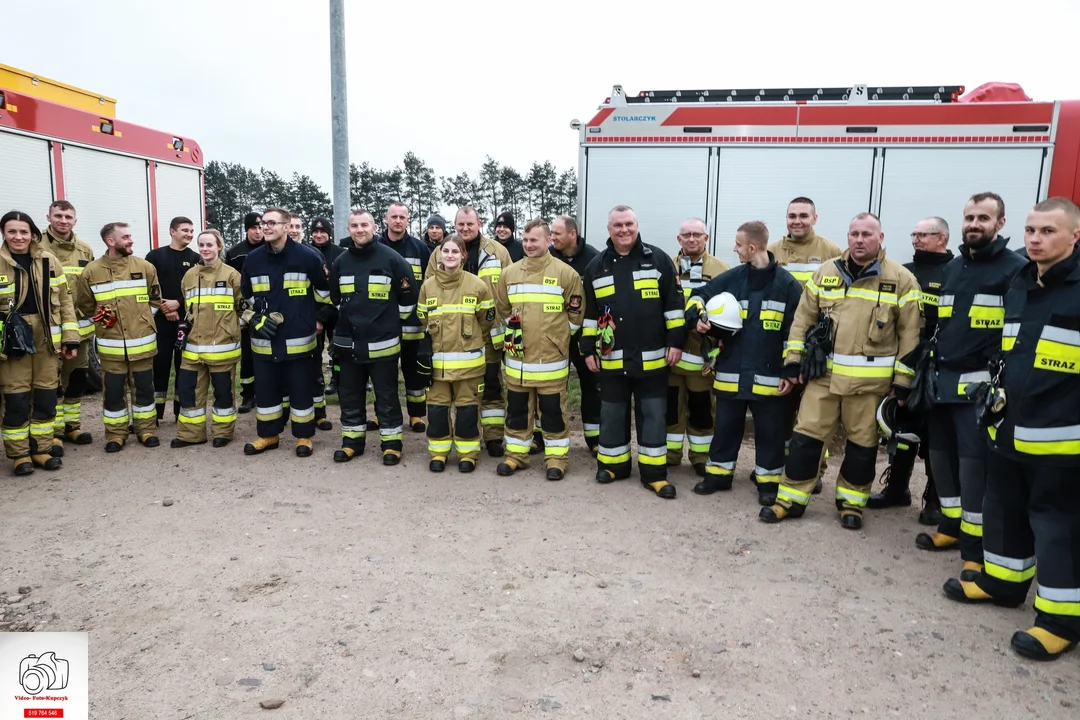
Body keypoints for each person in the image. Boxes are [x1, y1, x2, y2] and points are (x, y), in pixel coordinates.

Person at [944, 197, 1080, 661]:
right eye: (1031, 230)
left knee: (1057, 525)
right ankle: (1002, 581)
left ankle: (1060, 620)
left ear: (1074, 236)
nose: (1036, 239)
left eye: (1048, 231)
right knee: (1002, 508)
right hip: (1009, 426)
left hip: (1064, 438)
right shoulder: (1021, 281)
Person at [763, 212, 920, 528]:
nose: (859, 240)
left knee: (862, 449)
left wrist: (902, 383)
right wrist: (793, 362)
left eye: (866, 234)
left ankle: (851, 504)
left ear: (881, 238)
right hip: (823, 379)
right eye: (854, 234)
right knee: (805, 441)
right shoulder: (826, 272)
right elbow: (802, 319)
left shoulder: (901, 279)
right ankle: (790, 499)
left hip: (869, 387)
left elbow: (910, 335)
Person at [915, 193, 1028, 578]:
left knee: (974, 471)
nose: (974, 224)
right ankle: (951, 527)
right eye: (969, 217)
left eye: (983, 217)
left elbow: (1017, 335)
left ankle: (976, 548)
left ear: (1000, 223)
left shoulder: (1016, 269)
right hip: (943, 384)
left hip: (978, 391)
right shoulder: (956, 266)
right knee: (941, 463)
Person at [687, 221, 802, 505]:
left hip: (770, 376)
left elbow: (796, 333)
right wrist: (699, 316)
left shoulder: (788, 286)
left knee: (770, 432)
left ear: (751, 248)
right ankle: (717, 476)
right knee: (725, 427)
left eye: (738, 245)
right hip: (730, 372)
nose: (735, 250)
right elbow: (697, 296)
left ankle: (768, 483)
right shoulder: (732, 278)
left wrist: (791, 370)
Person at [581, 205, 687, 499]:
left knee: (653, 416)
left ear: (637, 226)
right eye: (618, 225)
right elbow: (590, 315)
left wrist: (676, 343)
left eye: (628, 224)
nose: (624, 230)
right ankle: (614, 465)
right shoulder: (596, 266)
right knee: (612, 414)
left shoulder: (659, 261)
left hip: (653, 360)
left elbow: (675, 307)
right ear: (609, 230)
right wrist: (588, 349)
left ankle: (654, 474)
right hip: (612, 360)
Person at [868, 217, 954, 525]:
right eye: (914, 234)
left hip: (936, 370)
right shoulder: (905, 272)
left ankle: (933, 499)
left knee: (933, 437)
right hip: (903, 364)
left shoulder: (953, 274)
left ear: (941, 237)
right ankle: (896, 489)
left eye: (923, 234)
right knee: (901, 430)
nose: (916, 239)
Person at [494, 219, 584, 480]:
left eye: (535, 239)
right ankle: (515, 456)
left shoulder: (566, 274)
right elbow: (502, 311)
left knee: (553, 412)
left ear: (548, 241)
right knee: (517, 412)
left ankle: (556, 459)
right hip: (517, 361)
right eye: (525, 239)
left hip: (551, 361)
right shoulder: (509, 273)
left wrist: (555, 338)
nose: (529, 244)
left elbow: (575, 316)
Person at [239, 207, 332, 457]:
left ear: (286, 225)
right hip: (264, 339)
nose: (265, 228)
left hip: (298, 339)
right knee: (267, 389)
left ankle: (304, 437)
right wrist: (253, 319)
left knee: (301, 389)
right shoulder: (253, 259)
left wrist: (317, 318)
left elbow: (326, 295)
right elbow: (244, 300)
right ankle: (268, 435)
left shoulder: (308, 257)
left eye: (271, 223)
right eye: (262, 223)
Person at [327, 209, 416, 465]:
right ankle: (352, 443)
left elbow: (408, 299)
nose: (359, 229)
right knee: (350, 395)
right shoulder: (340, 263)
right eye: (354, 225)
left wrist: (388, 324)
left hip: (383, 346)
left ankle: (391, 445)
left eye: (364, 224)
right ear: (348, 229)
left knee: (387, 397)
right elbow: (335, 300)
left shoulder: (392, 259)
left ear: (374, 227)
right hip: (350, 345)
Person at [769, 197, 844, 493]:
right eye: (791, 216)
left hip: (817, 349)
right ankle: (779, 467)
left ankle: (814, 471)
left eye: (803, 215)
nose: (796, 221)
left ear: (815, 218)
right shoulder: (773, 250)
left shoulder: (832, 252)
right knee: (779, 412)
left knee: (815, 417)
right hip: (779, 343)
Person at [426, 207, 511, 456]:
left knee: (491, 388)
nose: (464, 229)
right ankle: (466, 437)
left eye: (469, 224)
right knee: (463, 392)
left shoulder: (498, 252)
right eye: (460, 224)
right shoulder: (439, 252)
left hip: (489, 332)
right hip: (453, 336)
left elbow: (509, 286)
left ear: (479, 223)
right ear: (454, 224)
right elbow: (430, 288)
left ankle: (493, 438)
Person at [0, 211, 80, 474]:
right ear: (4, 234)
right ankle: (19, 455)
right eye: (12, 231)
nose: (18, 237)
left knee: (46, 395)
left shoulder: (48, 260)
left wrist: (70, 337)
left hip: (46, 338)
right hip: (12, 342)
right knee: (17, 398)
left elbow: (66, 301)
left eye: (23, 232)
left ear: (32, 233)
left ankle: (42, 449)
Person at [74, 222, 163, 452]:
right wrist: (102, 319)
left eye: (130, 235)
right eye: (125, 237)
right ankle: (116, 434)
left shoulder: (145, 267)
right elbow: (85, 305)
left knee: (143, 388)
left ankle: (146, 429)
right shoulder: (91, 272)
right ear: (110, 241)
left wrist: (141, 321)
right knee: (113, 392)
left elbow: (155, 300)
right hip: (111, 346)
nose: (131, 240)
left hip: (142, 343)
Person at [416, 235, 495, 472]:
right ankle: (438, 454)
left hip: (469, 367)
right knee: (437, 412)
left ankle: (467, 455)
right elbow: (423, 318)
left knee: (467, 411)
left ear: (463, 255)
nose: (449, 255)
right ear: (439, 255)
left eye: (454, 251)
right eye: (445, 251)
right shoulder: (428, 286)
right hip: (438, 367)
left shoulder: (477, 285)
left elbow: (487, 320)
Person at [666, 218, 729, 475]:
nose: (692, 239)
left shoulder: (722, 270)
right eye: (686, 235)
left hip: (702, 356)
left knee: (702, 408)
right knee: (670, 407)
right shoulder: (666, 267)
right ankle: (670, 454)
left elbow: (729, 310)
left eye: (697, 234)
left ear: (707, 238)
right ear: (678, 239)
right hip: (671, 356)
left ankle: (701, 457)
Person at [171, 229, 243, 448]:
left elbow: (242, 308)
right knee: (189, 393)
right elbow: (188, 306)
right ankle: (191, 435)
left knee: (223, 393)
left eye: (209, 245)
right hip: (193, 348)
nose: (205, 249)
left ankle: (223, 433)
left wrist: (230, 330)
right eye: (201, 245)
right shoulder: (190, 276)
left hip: (222, 347)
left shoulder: (232, 275)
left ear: (219, 246)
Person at [37, 200, 95, 445]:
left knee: (76, 377)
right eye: (58, 215)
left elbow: (91, 287)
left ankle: (72, 426)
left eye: (68, 216)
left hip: (78, 328)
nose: (63, 220)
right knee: (49, 380)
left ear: (75, 220)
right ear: (48, 217)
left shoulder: (84, 249)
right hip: (46, 328)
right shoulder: (35, 246)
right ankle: (52, 431)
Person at [378, 201, 431, 432]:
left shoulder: (420, 249)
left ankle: (417, 415)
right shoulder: (375, 247)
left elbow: (429, 284)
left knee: (413, 371)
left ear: (408, 220)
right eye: (394, 216)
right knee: (383, 374)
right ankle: (384, 416)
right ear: (386, 219)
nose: (398, 220)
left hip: (412, 323)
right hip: (380, 322)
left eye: (402, 217)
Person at [550, 215, 600, 454]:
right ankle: (545, 435)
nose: (552, 238)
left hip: (584, 337)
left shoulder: (594, 258)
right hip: (552, 337)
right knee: (550, 386)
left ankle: (595, 438)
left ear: (573, 234)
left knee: (591, 385)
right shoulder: (546, 257)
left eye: (556, 233)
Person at [145, 217, 200, 422]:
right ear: (172, 231)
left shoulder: (195, 259)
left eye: (191, 230)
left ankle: (181, 413)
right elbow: (148, 286)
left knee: (183, 368)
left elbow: (198, 290)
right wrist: (164, 307)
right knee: (159, 367)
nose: (189, 234)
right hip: (160, 322)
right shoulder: (155, 256)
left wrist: (178, 303)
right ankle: (155, 415)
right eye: (185, 230)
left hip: (185, 322)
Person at [225, 212, 263, 413]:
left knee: (267, 354)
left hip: (267, 309)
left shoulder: (271, 248)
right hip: (245, 312)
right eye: (254, 228)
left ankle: (266, 393)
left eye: (260, 227)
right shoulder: (235, 253)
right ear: (247, 229)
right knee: (247, 357)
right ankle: (248, 395)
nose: (258, 232)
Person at [307, 216, 343, 417]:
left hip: (335, 311)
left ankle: (337, 381)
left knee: (337, 351)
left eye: (323, 232)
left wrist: (326, 315)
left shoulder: (339, 254)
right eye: (315, 232)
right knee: (315, 352)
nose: (319, 235)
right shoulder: (305, 253)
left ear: (329, 233)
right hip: (313, 314)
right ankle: (318, 386)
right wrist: (317, 317)